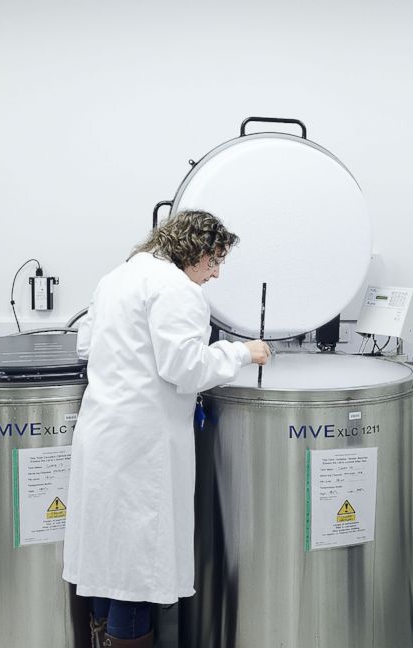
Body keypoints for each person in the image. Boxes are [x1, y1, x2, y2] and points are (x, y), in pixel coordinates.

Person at [62, 209, 270, 648]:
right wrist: (243, 353)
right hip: (143, 448)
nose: (215, 273)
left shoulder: (117, 277)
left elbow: (86, 344)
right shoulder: (177, 289)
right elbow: (186, 368)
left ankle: (100, 637)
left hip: (103, 433)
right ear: (193, 251)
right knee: (137, 572)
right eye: (214, 261)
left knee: (106, 562)